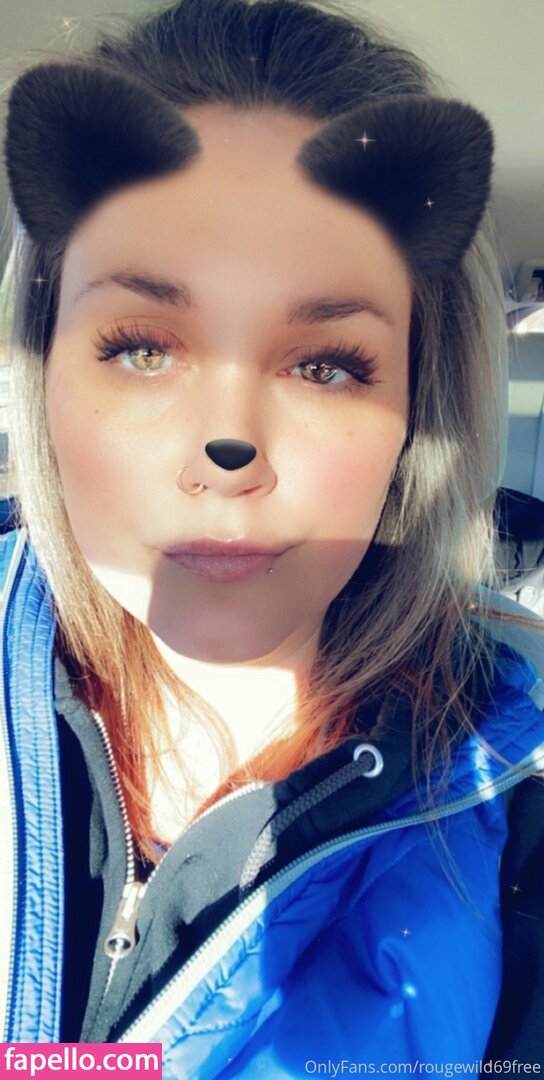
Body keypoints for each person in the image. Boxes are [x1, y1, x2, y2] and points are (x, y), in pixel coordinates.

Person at [1, 0, 543, 1073]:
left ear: (414, 413)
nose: (228, 449)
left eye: (324, 365)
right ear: (42, 371)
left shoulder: (515, 806)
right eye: (144, 347)